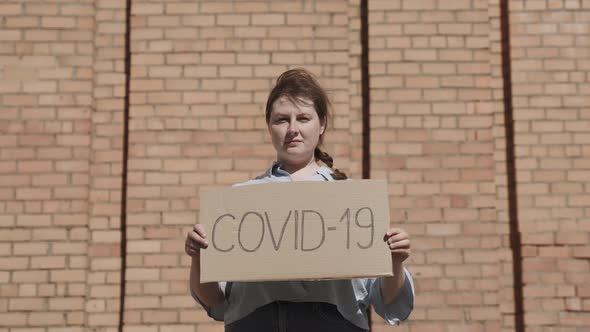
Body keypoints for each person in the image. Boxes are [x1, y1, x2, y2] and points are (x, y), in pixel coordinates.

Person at [185, 68, 414, 331]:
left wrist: (395, 260)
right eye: (282, 119)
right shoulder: (238, 201)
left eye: (303, 118)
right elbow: (216, 302)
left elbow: (387, 299)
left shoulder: (353, 202)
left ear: (322, 125)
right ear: (269, 127)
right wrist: (198, 258)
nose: (292, 129)